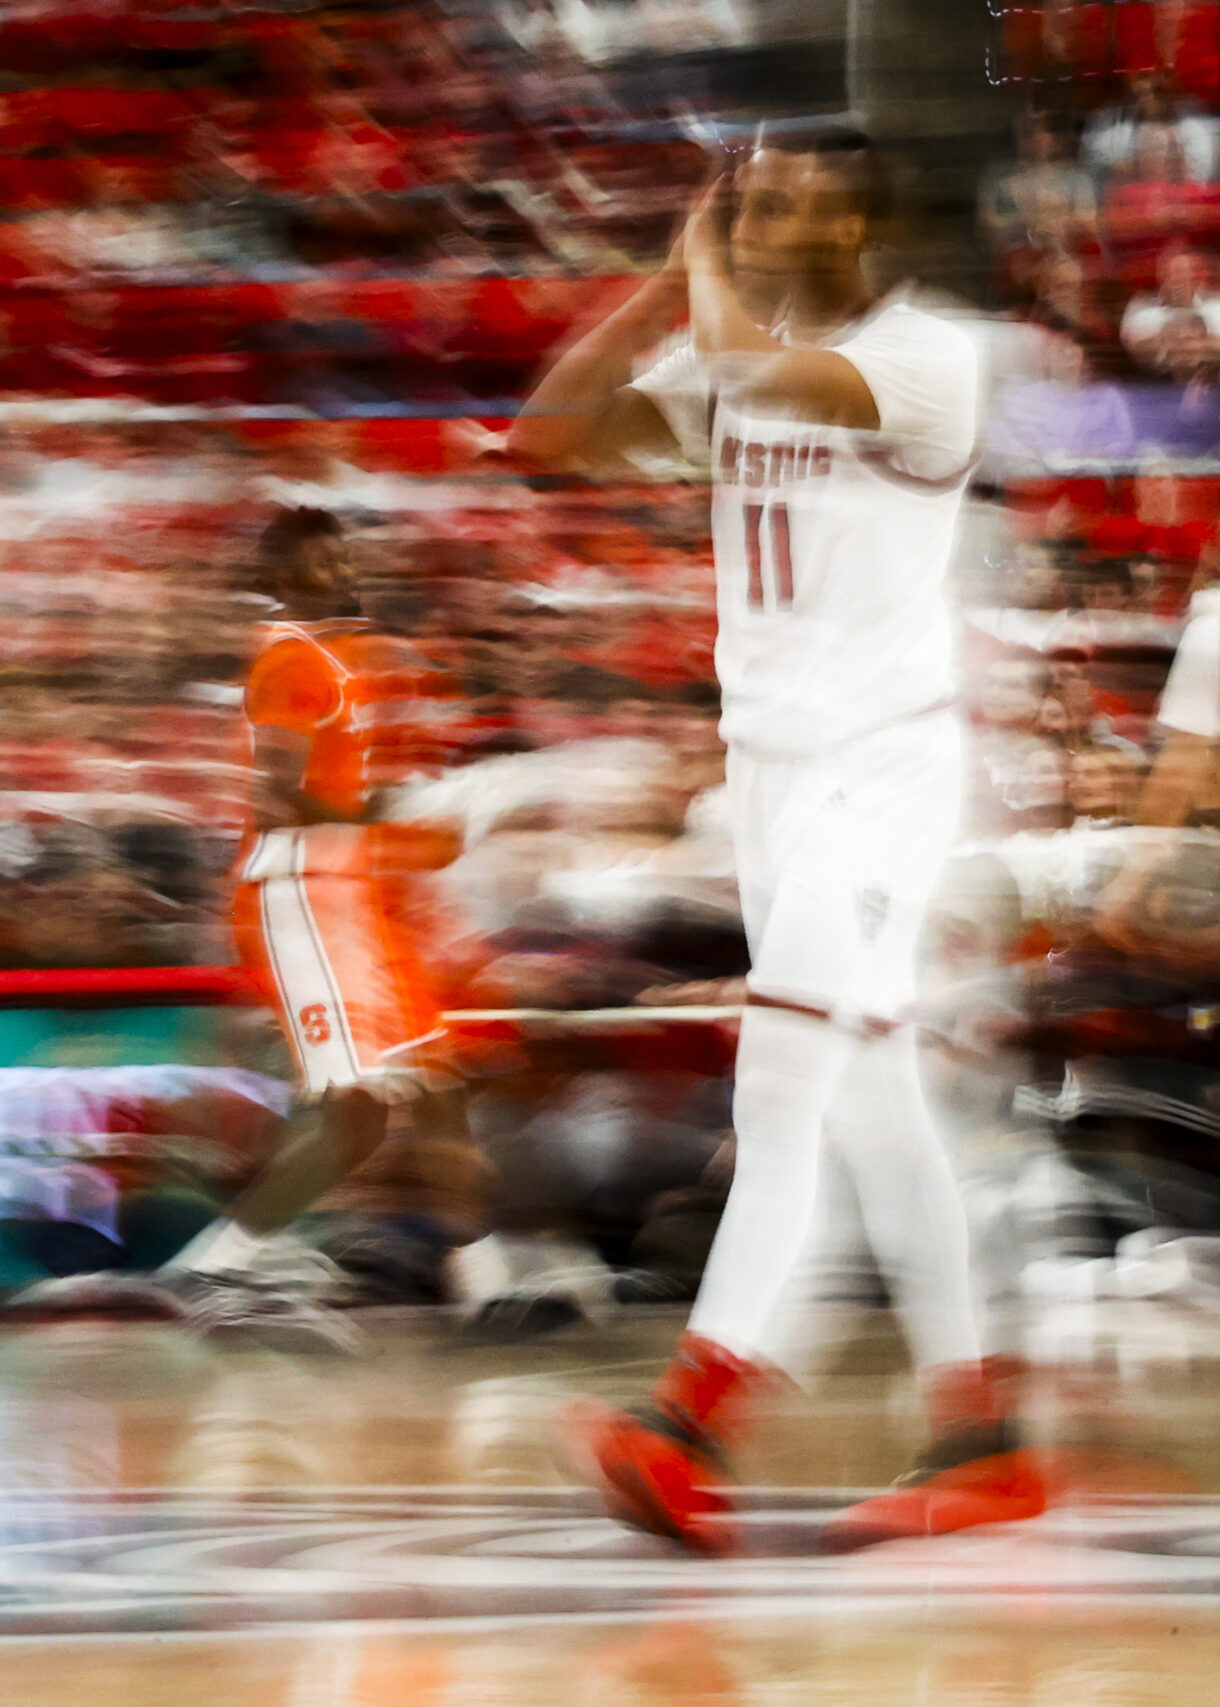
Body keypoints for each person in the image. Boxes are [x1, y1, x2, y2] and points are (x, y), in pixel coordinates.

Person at [510, 124, 1034, 1554]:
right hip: (771, 783)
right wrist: (650, 278)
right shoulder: (732, 343)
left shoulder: (929, 354)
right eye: (753, 196)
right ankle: (981, 1432)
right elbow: (547, 440)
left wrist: (698, 270)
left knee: (782, 1085)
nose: (762, 216)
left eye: (797, 201)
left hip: (881, 775)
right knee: (875, 1107)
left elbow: (747, 366)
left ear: (863, 228)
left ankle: (689, 1422)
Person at [38, 507, 477, 1348]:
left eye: (343, 556)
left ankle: (465, 1270)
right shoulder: (290, 662)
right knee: (363, 1110)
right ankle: (220, 1263)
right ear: (282, 579)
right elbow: (275, 799)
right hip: (299, 890)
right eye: (319, 563)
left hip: (340, 889)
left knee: (407, 1100)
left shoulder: (341, 661)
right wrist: (382, 815)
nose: (341, 572)